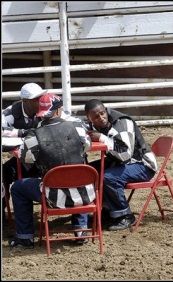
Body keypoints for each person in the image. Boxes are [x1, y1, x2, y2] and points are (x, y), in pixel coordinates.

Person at [8, 94, 93, 248]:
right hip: (86, 195)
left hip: (54, 198)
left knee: (18, 187)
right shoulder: (78, 128)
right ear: (59, 111)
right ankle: (81, 230)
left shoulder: (34, 135)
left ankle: (25, 237)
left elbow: (25, 158)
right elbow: (87, 146)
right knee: (77, 175)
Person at [84, 99, 157, 231]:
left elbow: (125, 154)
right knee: (91, 171)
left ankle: (125, 215)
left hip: (143, 165)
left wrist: (101, 138)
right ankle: (107, 210)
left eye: (102, 113)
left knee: (108, 177)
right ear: (89, 118)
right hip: (122, 162)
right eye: (96, 116)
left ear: (106, 110)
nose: (101, 118)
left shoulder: (122, 122)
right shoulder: (93, 125)